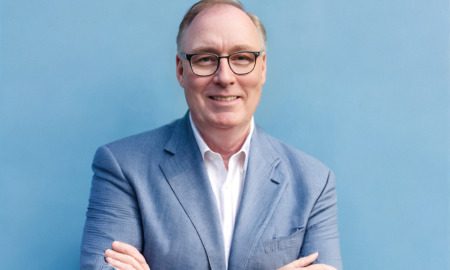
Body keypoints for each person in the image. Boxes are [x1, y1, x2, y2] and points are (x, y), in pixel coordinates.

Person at [80, 0, 342, 269]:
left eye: (242, 57)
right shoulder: (122, 166)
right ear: (181, 70)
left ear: (262, 67)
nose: (225, 77)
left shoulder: (314, 183)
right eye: (205, 59)